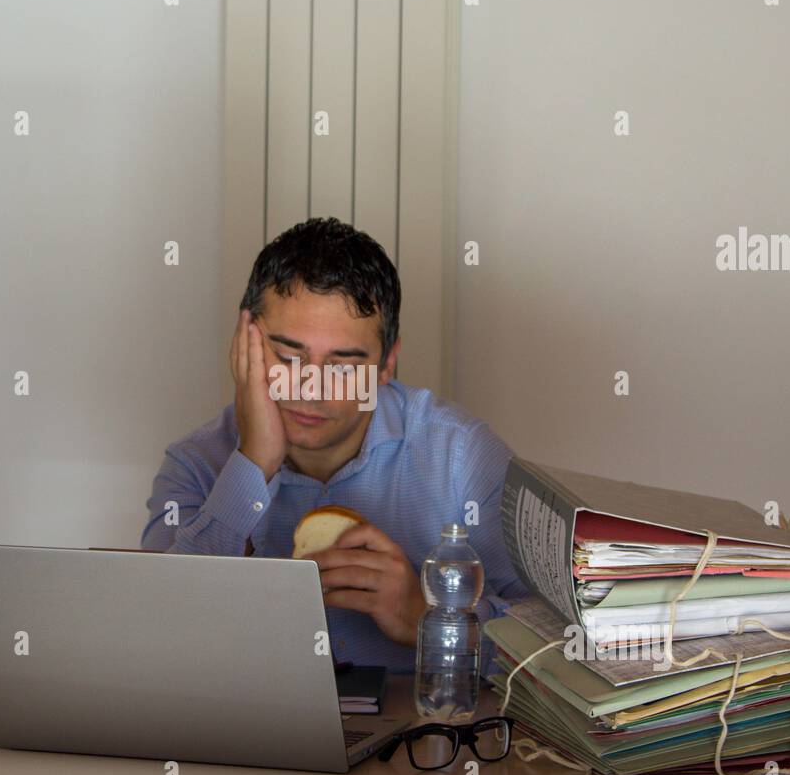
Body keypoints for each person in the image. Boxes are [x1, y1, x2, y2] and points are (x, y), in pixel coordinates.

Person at [141, 217, 531, 674]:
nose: (311, 388)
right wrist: (253, 463)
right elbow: (159, 634)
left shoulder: (464, 458)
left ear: (387, 364)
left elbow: (555, 650)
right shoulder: (195, 463)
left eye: (344, 366)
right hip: (248, 737)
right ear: (243, 342)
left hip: (421, 735)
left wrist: (431, 618)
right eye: (288, 357)